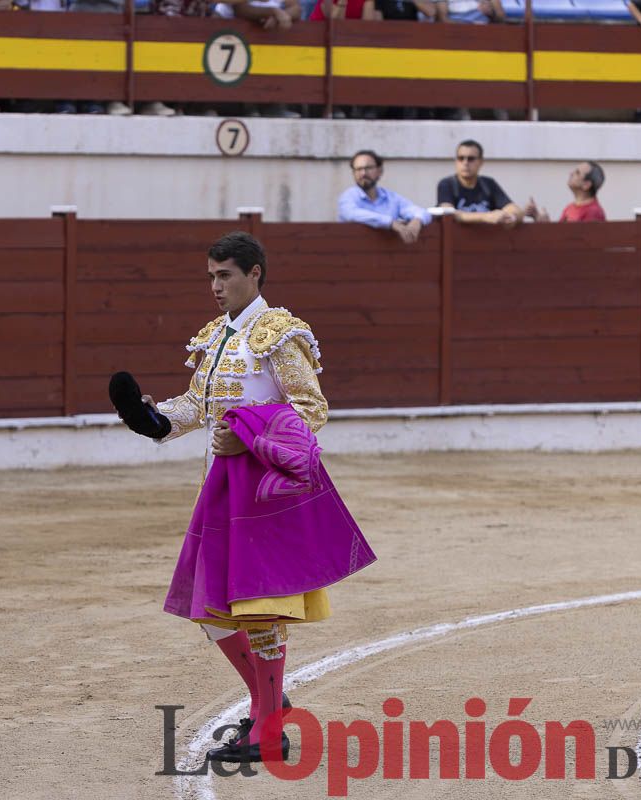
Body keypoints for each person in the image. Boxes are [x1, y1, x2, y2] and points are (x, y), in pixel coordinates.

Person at [122, 232, 376, 764]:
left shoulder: (279, 335)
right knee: (210, 609)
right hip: (219, 485)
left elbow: (311, 409)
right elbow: (199, 402)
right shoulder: (216, 336)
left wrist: (250, 435)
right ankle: (269, 698)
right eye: (211, 276)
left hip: (263, 489)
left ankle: (267, 729)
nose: (215, 287)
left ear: (254, 273)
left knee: (259, 609)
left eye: (225, 275)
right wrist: (156, 420)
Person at [338, 150, 432, 244]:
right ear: (353, 173)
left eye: (368, 168)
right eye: (358, 169)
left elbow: (421, 212)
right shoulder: (348, 197)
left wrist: (417, 220)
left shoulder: (390, 197)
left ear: (380, 171)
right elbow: (351, 214)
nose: (363, 173)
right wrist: (391, 223)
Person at [436, 140, 522, 227]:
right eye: (461, 158)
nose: (465, 163)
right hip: (456, 239)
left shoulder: (488, 184)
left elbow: (513, 208)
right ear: (456, 161)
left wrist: (511, 217)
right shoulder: (447, 184)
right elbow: (448, 213)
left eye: (471, 159)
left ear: (481, 162)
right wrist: (486, 217)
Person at [525, 161, 607, 223]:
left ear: (586, 185)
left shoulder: (594, 212)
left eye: (577, 173)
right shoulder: (570, 207)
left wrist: (546, 224)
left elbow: (575, 242)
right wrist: (537, 217)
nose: (571, 173)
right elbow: (560, 235)